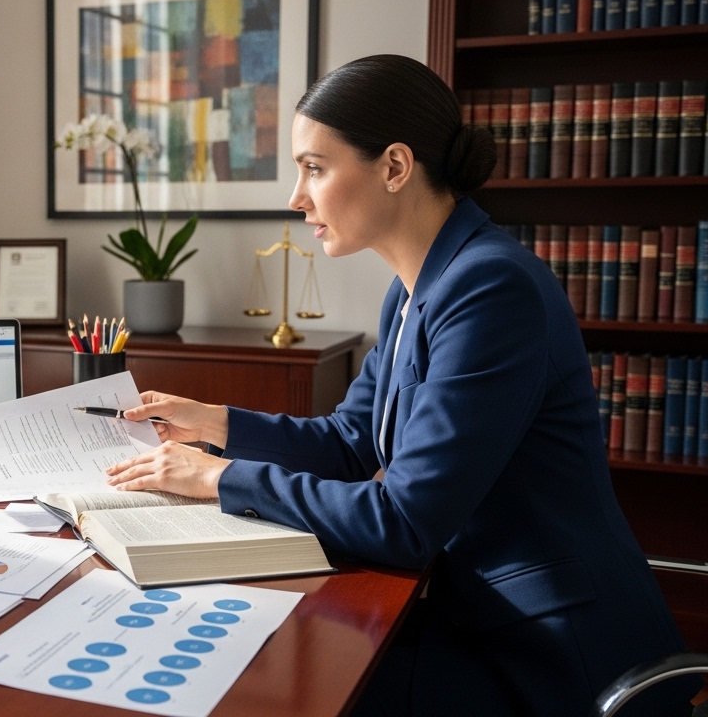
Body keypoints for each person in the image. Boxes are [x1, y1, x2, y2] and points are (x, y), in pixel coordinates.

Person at [105, 55, 696, 716]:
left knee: (292, 686)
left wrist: (219, 478)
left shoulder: (490, 289)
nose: (297, 197)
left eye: (315, 168)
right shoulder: (414, 290)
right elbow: (355, 441)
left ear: (393, 167)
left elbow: (407, 520)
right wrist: (213, 422)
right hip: (466, 606)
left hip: (543, 651)